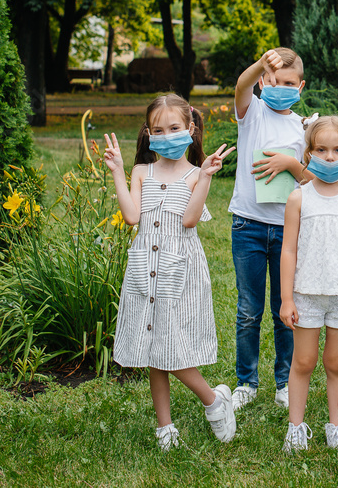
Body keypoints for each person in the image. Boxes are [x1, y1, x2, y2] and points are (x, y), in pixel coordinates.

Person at [104, 94, 237, 451]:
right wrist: (118, 171)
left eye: (174, 128)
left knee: (170, 346)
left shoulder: (195, 174)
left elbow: (190, 220)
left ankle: (213, 401)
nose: (167, 135)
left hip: (180, 273)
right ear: (148, 133)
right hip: (145, 268)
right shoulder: (141, 172)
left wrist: (207, 177)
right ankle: (166, 427)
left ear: (190, 129)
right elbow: (132, 217)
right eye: (158, 130)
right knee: (152, 350)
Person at [279, 116, 338, 454]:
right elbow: (288, 250)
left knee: (336, 363)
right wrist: (286, 298)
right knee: (303, 362)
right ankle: (295, 427)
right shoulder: (299, 199)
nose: (330, 157)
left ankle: (336, 425)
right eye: (322, 149)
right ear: (309, 153)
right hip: (306, 295)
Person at [229, 48, 309, 412]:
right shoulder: (253, 112)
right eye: (274, 81)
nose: (281, 87)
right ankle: (246, 380)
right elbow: (240, 86)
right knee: (249, 309)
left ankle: (283, 380)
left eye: (289, 83)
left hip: (287, 230)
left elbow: (312, 178)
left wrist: (292, 163)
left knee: (284, 308)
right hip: (247, 224)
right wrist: (260, 64)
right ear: (263, 83)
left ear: (301, 87)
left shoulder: (304, 127)